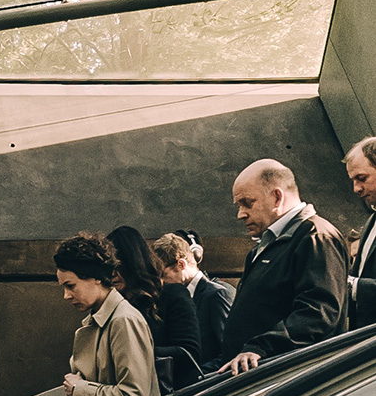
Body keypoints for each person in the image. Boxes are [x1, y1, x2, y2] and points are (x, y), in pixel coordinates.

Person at [219, 160, 348, 375]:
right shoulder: (266, 244)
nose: (240, 214)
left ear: (277, 197)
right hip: (260, 375)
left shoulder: (316, 237)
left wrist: (262, 347)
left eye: (247, 203)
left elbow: (319, 312)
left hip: (290, 380)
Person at [44, 233, 159, 396]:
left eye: (71, 286)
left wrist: (80, 390)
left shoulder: (123, 320)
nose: (66, 296)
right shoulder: (97, 319)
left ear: (97, 278)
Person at [106, 224, 203, 376]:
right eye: (107, 268)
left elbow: (189, 353)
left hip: (172, 394)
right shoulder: (114, 303)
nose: (112, 274)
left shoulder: (172, 294)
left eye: (118, 266)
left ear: (132, 264)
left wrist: (134, 353)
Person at [153, 231, 235, 370]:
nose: (161, 282)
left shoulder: (217, 295)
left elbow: (231, 351)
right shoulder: (176, 298)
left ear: (181, 264)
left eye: (163, 274)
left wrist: (197, 377)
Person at [343, 137, 376, 327]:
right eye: (353, 180)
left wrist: (354, 287)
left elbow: (354, 285)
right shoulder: (372, 220)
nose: (356, 189)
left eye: (362, 178)